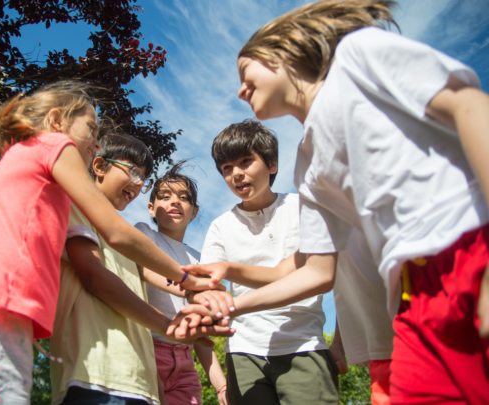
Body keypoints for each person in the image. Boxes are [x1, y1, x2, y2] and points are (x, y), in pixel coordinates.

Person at [176, 1, 489, 403]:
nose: (239, 89)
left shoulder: (357, 60)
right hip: (410, 295)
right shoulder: (308, 164)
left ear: (280, 57)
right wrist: (229, 308)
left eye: (244, 72)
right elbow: (315, 271)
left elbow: (469, 105)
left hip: (466, 250)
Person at [0, 80, 216, 405]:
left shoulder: (33, 176)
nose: (96, 145)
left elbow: (129, 258)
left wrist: (186, 288)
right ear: (57, 121)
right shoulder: (53, 145)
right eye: (91, 129)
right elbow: (116, 233)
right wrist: (187, 278)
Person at [50, 135, 233, 405]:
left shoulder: (129, 242)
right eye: (134, 172)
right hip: (98, 369)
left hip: (142, 368)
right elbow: (101, 276)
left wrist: (200, 290)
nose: (138, 184)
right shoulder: (122, 230)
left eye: (143, 178)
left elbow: (156, 277)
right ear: (98, 166)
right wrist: (174, 315)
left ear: (194, 211)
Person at [198, 120, 338, 405]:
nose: (237, 173)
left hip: (304, 343)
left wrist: (341, 344)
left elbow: (315, 275)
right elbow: (205, 284)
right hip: (244, 351)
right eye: (227, 168)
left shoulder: (304, 209)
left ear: (272, 164)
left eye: (246, 162)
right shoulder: (220, 226)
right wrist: (203, 297)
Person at [134, 161, 230, 405]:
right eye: (165, 196)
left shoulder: (200, 260)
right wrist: (191, 286)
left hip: (185, 364)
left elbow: (200, 336)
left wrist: (221, 385)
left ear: (194, 211)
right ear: (151, 208)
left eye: (183, 197)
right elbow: (144, 269)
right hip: (146, 351)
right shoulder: (145, 234)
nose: (174, 201)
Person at [328, 229, 394, 405]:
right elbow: (347, 289)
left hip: (424, 332)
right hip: (382, 349)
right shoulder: (322, 214)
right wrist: (337, 343)